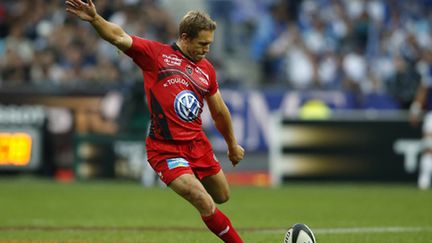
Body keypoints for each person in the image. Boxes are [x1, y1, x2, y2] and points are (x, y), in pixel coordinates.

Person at [65, 0, 245, 242]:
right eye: (202, 44)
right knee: (203, 200)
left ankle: (194, 180)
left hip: (196, 144)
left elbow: (220, 111)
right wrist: (96, 20)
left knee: (222, 196)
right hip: (165, 149)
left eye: (210, 44)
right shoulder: (156, 55)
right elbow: (119, 37)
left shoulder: (207, 70)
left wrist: (232, 144)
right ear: (185, 37)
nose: (207, 49)